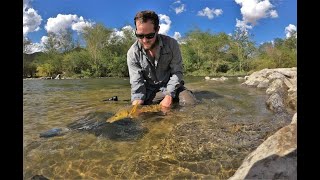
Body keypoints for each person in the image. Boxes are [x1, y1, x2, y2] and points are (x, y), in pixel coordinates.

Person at [127, 10, 197, 108]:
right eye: (140, 35)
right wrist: (136, 106)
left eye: (149, 36)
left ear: (157, 30)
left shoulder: (172, 44)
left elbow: (177, 72)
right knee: (140, 109)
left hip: (173, 87)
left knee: (190, 103)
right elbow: (137, 83)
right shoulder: (132, 53)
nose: (144, 40)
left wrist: (169, 95)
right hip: (150, 91)